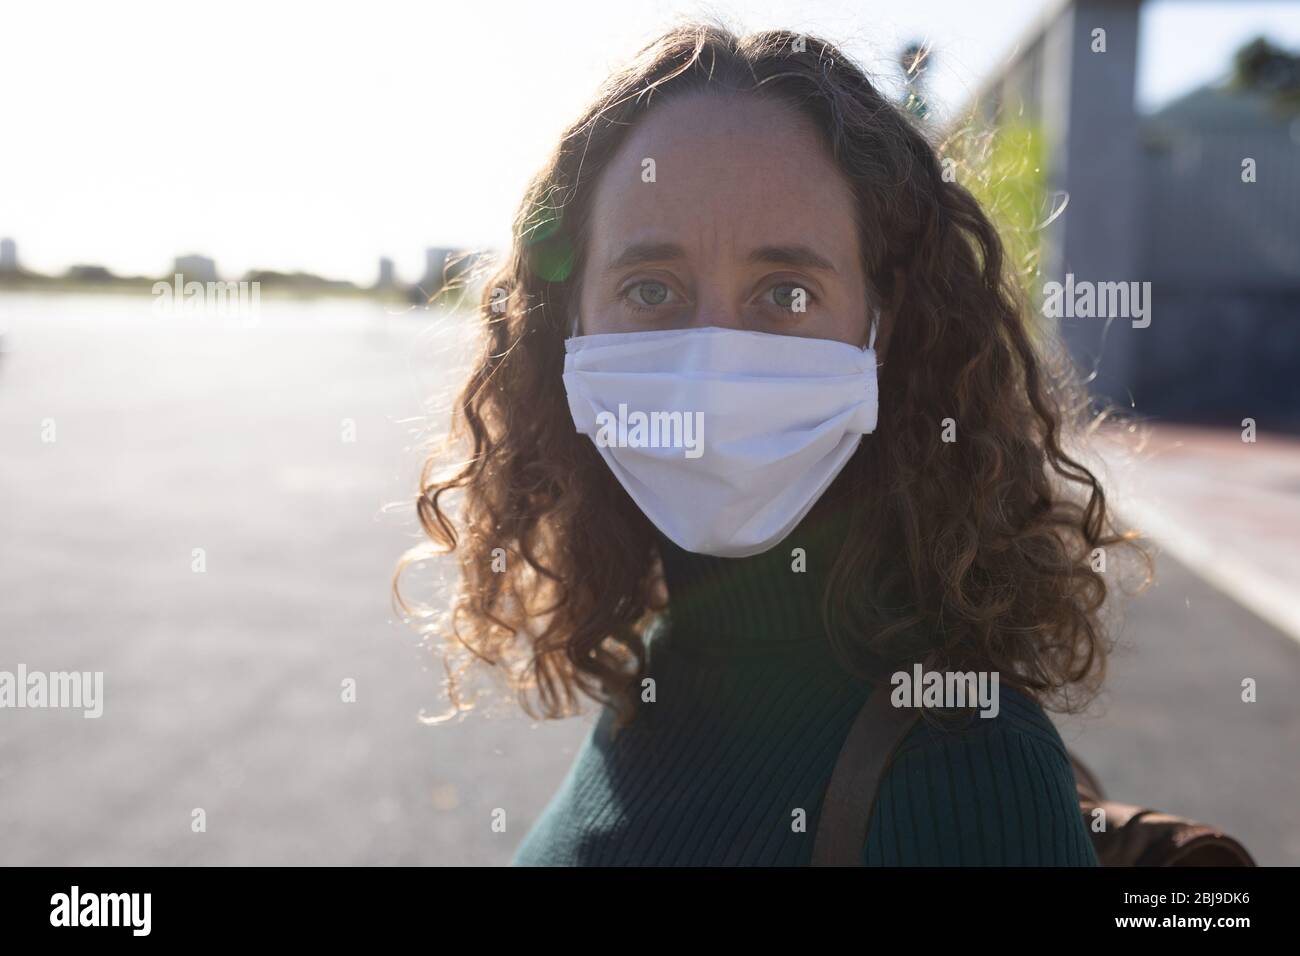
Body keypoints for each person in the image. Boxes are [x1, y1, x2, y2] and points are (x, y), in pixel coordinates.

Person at [396, 23, 1147, 865]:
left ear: (881, 333)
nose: (713, 356)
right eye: (651, 288)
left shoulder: (969, 766)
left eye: (785, 292)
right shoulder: (661, 659)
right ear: (567, 327)